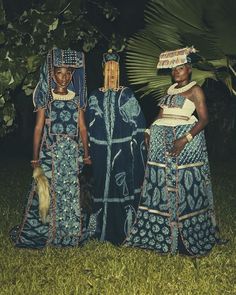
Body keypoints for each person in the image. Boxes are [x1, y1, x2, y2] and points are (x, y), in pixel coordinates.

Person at [124, 47, 220, 256]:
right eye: (174, 69)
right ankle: (162, 233)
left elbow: (204, 119)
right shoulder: (169, 91)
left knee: (182, 183)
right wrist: (149, 130)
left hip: (184, 142)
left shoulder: (196, 90)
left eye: (181, 68)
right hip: (161, 142)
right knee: (160, 183)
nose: (176, 72)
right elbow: (161, 114)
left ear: (189, 69)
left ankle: (185, 236)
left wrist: (184, 139)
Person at [10, 48, 92, 248]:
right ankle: (42, 232)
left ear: (72, 75)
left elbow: (82, 127)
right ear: (52, 75)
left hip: (71, 155)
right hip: (49, 153)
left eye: (67, 73)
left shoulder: (76, 99)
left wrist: (87, 153)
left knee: (71, 192)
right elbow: (38, 128)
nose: (63, 77)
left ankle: (69, 232)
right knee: (44, 192)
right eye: (59, 73)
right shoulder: (45, 99)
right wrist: (35, 157)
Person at [86, 49, 147, 245]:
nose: (111, 74)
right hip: (100, 150)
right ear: (103, 71)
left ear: (119, 72)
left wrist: (136, 146)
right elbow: (87, 125)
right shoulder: (95, 96)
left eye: (115, 70)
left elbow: (138, 124)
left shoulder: (126, 94)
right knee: (101, 185)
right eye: (108, 70)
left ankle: (125, 230)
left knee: (123, 187)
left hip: (123, 151)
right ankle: (99, 229)